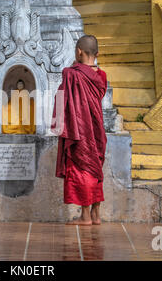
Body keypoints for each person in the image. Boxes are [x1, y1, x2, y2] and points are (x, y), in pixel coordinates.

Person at [52, 35, 108, 226]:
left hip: (80, 129)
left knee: (81, 168)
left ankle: (84, 216)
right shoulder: (101, 76)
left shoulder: (71, 74)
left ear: (78, 52)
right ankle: (96, 214)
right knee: (95, 167)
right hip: (97, 129)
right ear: (97, 54)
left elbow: (62, 97)